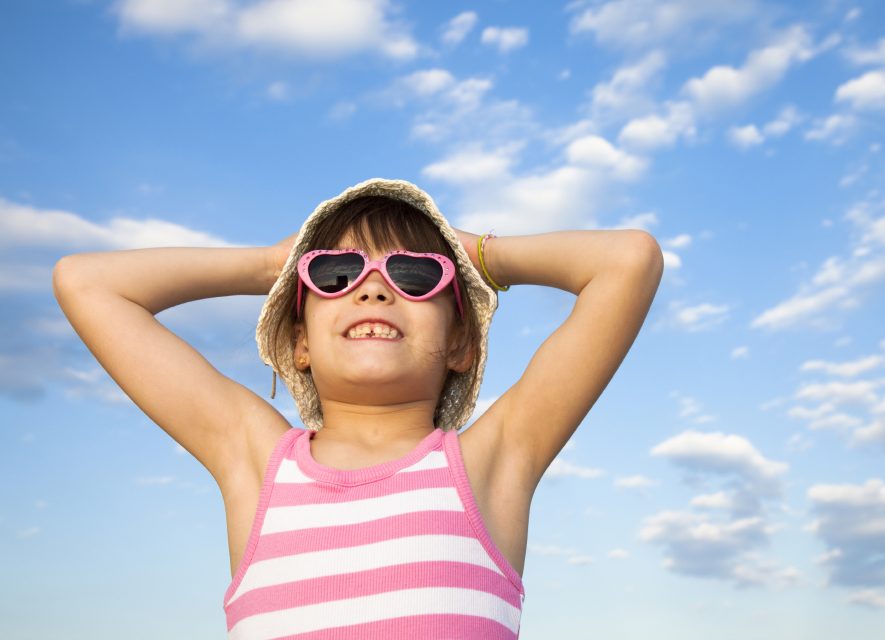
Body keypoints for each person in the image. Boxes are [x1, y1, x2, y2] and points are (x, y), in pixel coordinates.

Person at [52, 178, 663, 639]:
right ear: (299, 344)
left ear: (459, 343)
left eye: (416, 275)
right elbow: (87, 282)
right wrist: (275, 264)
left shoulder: (490, 464)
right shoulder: (255, 458)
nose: (373, 287)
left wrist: (465, 251)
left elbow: (628, 260)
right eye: (336, 273)